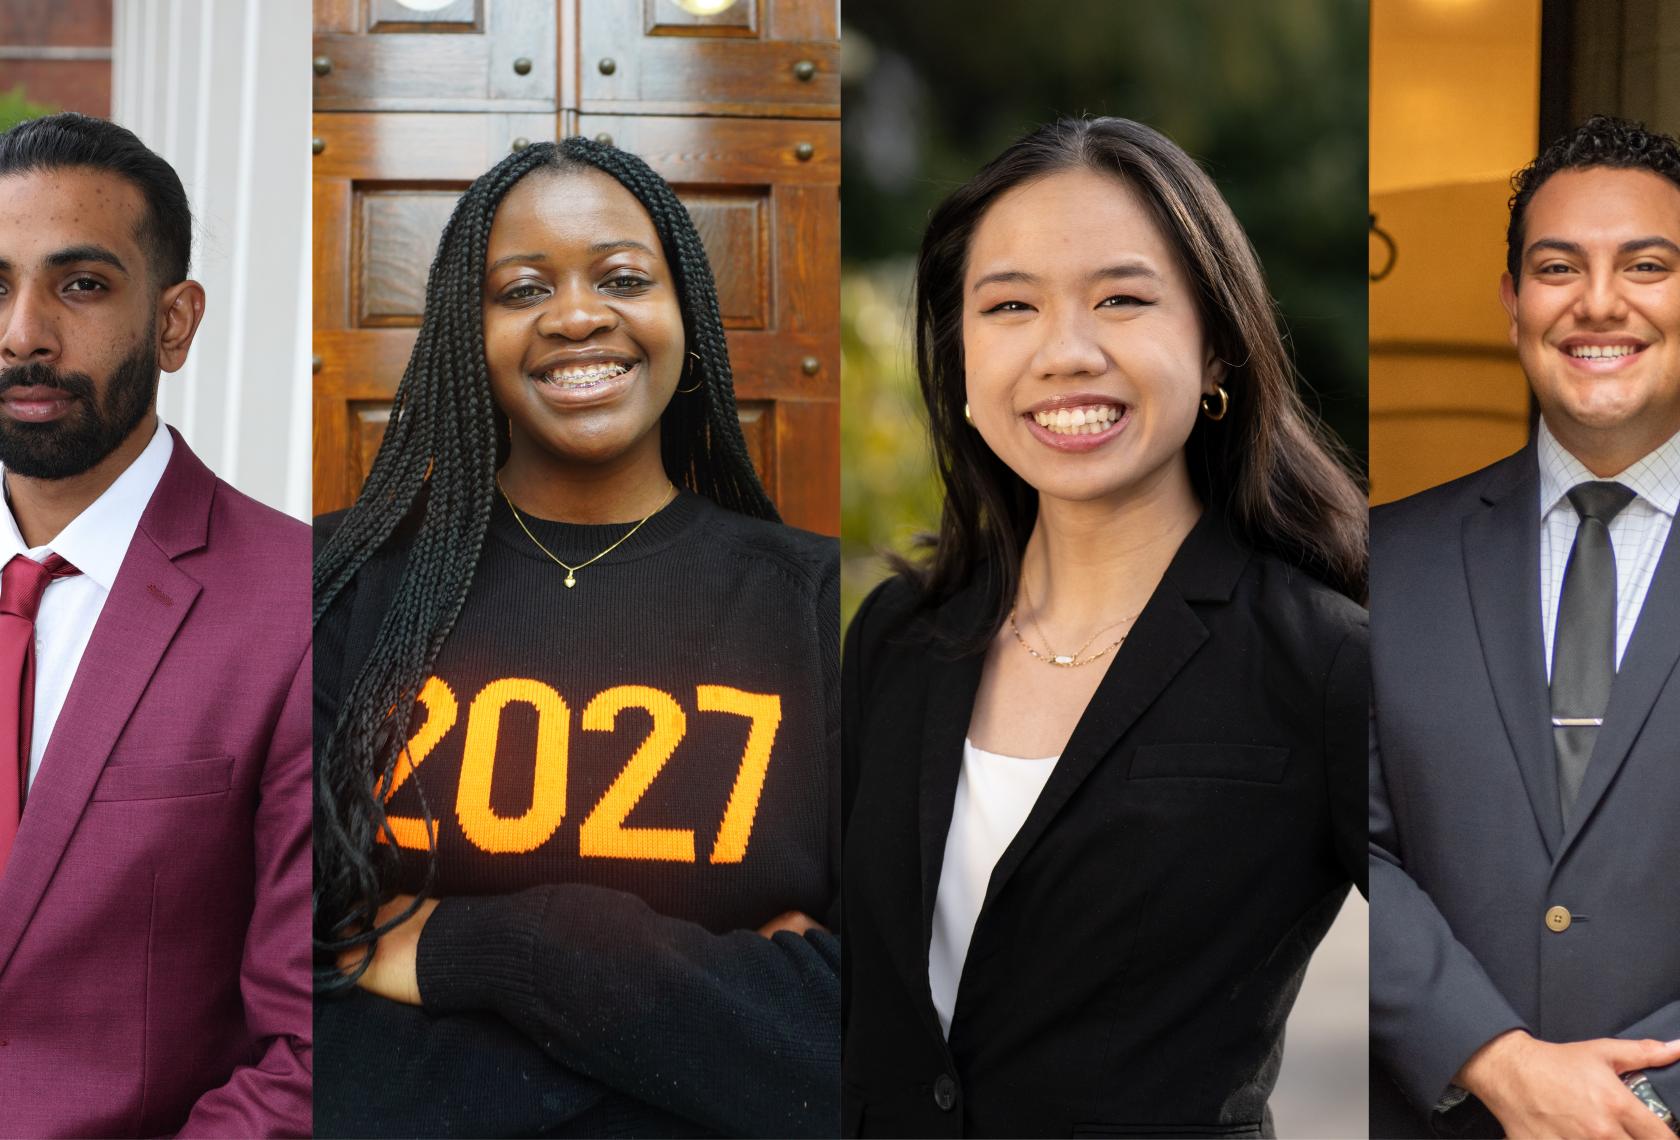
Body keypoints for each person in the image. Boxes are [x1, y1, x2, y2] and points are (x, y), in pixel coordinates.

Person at [841, 116, 1369, 1138]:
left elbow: (1488, 957)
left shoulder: (1324, 662)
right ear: (960, 354)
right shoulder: (897, 638)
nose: (1064, 352)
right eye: (1010, 307)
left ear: (1216, 347)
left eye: (1122, 300)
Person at [312, 136, 839, 1138]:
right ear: (468, 335)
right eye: (519, 290)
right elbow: (263, 964)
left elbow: (864, 1033)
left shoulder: (815, 604)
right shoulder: (336, 587)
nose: (576, 315)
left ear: (684, 311)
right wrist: (710, 1014)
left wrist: (512, 951)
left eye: (623, 278)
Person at [0, 113, 312, 1135]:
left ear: (174, 323)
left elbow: (310, 1049)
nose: (23, 335)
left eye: (80, 285)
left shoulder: (299, 608)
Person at [1370, 114, 1680, 1140]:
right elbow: (1329, 843)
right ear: (1513, 306)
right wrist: (1495, 1059)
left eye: (1647, 265)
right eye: (1558, 267)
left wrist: (1634, 1106)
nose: (1600, 302)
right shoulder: (1383, 565)